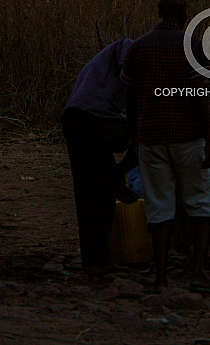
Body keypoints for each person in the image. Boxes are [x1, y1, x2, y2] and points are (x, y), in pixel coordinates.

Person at [120, 0, 210, 293]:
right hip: (187, 136)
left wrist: (135, 136)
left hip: (152, 137)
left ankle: (161, 278)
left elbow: (131, 97)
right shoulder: (189, 44)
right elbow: (198, 96)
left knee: (159, 206)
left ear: (159, 11)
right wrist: (209, 139)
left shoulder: (138, 47)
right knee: (200, 202)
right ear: (183, 12)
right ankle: (198, 272)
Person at [61, 38, 139, 276]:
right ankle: (114, 179)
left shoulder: (102, 63)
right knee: (146, 135)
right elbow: (130, 71)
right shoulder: (128, 46)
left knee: (89, 191)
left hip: (76, 119)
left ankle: (95, 259)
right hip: (92, 119)